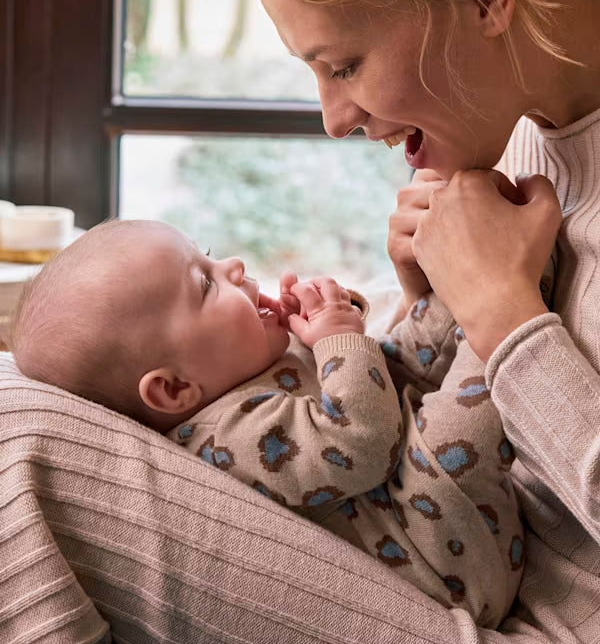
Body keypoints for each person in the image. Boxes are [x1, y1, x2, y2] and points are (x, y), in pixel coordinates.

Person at [236, 0, 600, 641]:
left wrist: (504, 316)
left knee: (27, 445)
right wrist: (431, 309)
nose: (333, 117)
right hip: (467, 573)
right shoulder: (526, 128)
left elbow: (525, 351)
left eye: (344, 65)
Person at [11, 216, 524, 628]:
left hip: (415, 486)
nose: (232, 266)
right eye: (205, 283)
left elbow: (384, 375)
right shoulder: (226, 438)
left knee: (416, 343)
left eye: (207, 253)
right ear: (174, 389)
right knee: (456, 405)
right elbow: (361, 441)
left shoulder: (244, 366)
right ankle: (509, 301)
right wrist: (336, 338)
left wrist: (338, 316)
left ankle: (476, 278)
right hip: (445, 552)